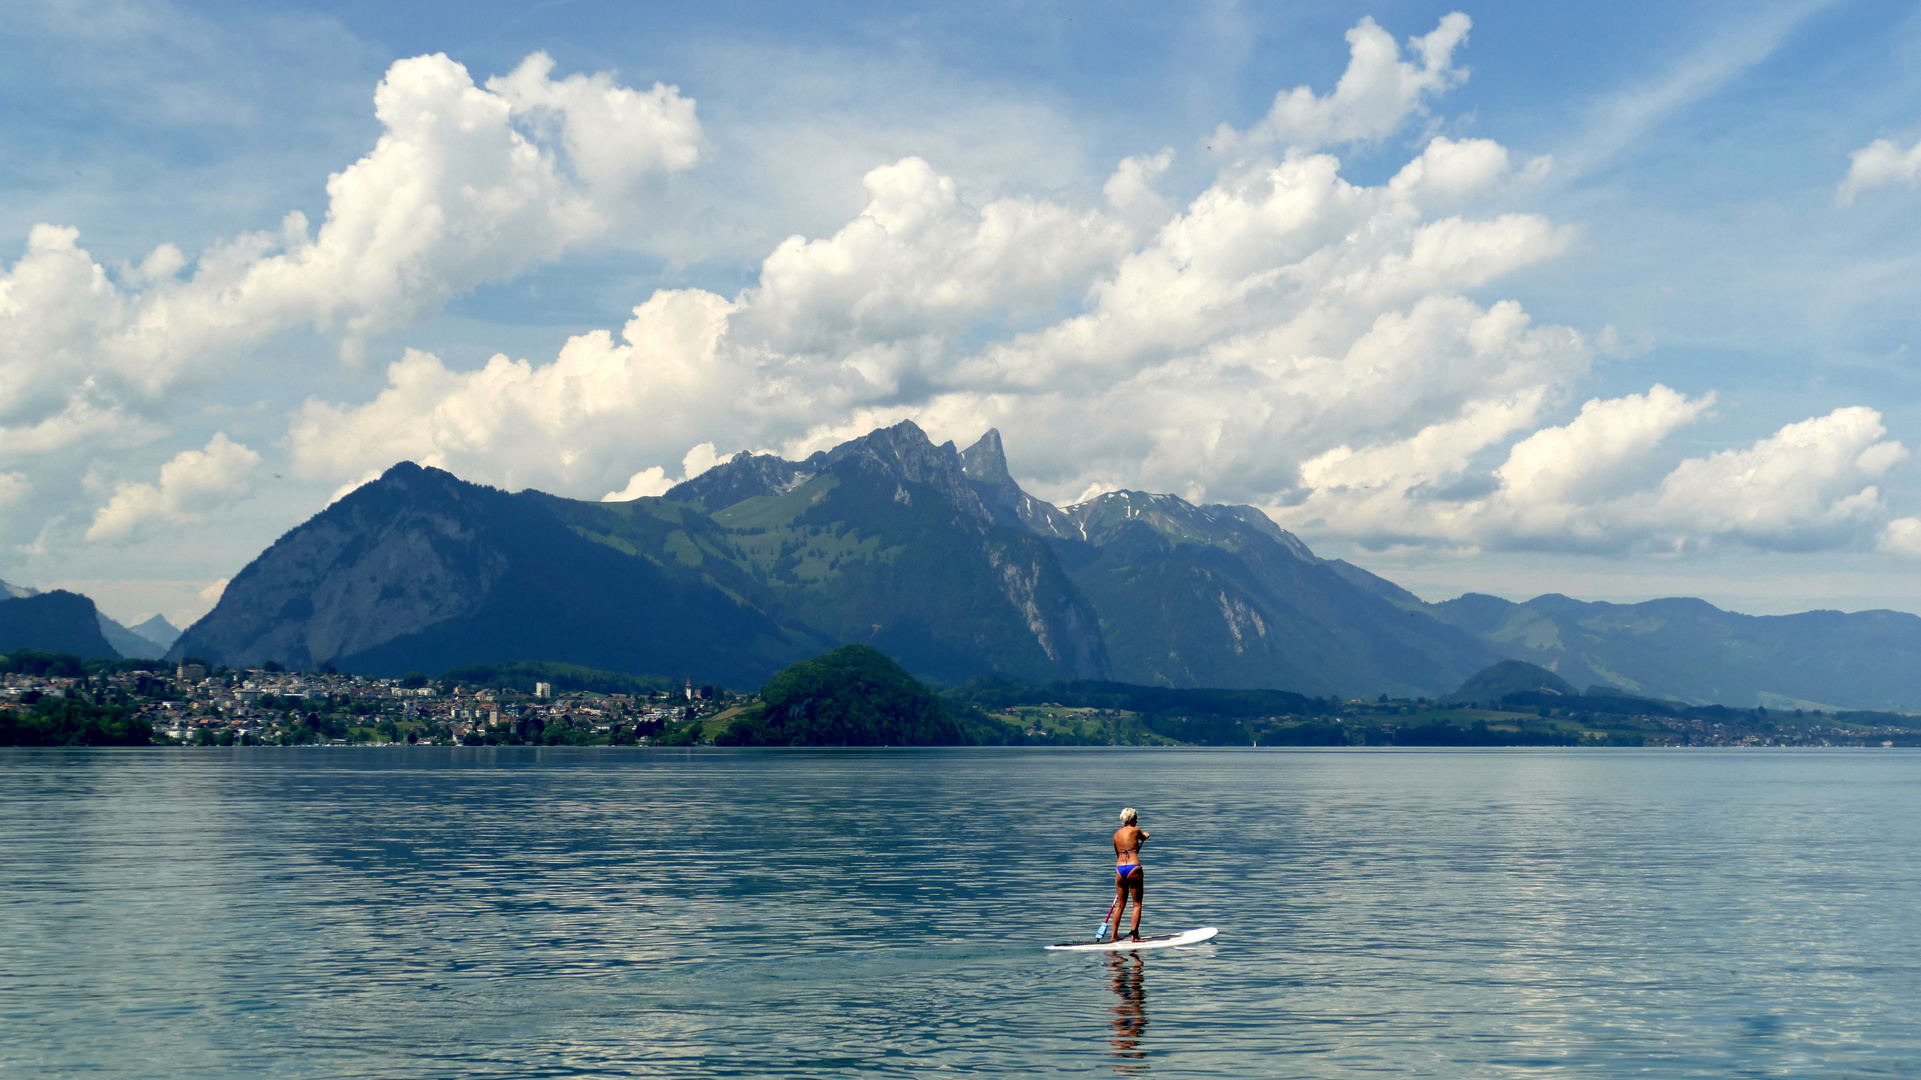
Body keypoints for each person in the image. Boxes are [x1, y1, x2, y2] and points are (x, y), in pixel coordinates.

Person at [1110, 807, 1149, 941]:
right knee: (1137, 904)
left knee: (1120, 905)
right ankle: (1135, 936)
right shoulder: (1136, 830)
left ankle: (1114, 935)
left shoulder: (1116, 835)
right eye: (1136, 818)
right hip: (1133, 868)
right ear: (1131, 819)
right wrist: (1145, 836)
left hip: (1120, 869)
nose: (1137, 821)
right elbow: (1142, 837)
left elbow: (1118, 853)